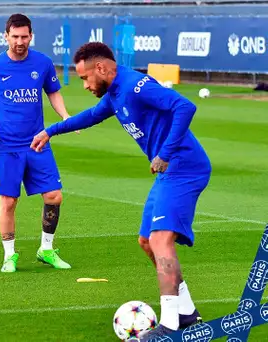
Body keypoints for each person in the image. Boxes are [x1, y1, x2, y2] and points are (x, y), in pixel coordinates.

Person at [31, 42, 208, 339]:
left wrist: (164, 152)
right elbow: (90, 116)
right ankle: (187, 312)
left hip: (184, 167)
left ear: (101, 68)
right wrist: (51, 131)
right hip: (168, 173)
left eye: (86, 78)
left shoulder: (135, 86)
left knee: (160, 239)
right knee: (146, 242)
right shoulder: (114, 94)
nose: (85, 85)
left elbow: (184, 106)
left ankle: (169, 325)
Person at [0, 13, 74, 273]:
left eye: (24, 36)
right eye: (15, 36)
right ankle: (9, 255)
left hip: (37, 143)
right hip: (7, 145)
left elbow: (53, 92)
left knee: (54, 196)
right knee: (8, 202)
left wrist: (65, 117)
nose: (20, 41)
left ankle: (46, 249)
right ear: (6, 36)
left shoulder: (42, 63)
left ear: (31, 36)